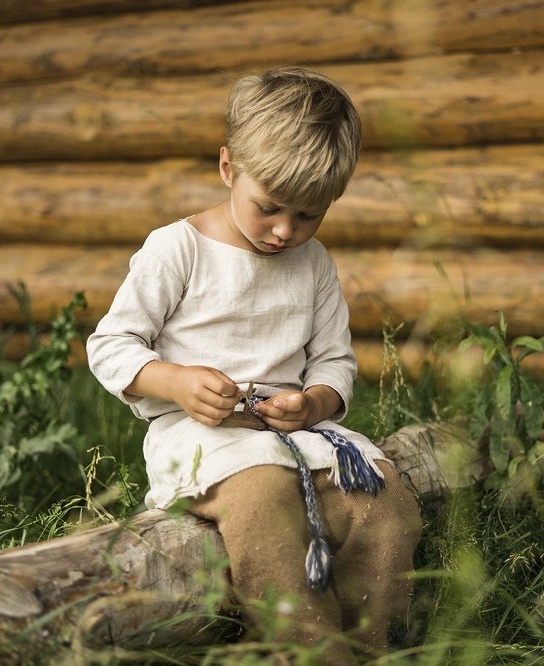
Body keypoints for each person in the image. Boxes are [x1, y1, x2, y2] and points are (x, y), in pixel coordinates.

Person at [87, 66, 421, 664]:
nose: (285, 231)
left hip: (301, 437)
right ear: (227, 168)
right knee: (264, 503)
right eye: (269, 208)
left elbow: (335, 362)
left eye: (310, 216)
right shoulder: (179, 249)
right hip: (204, 438)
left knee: (385, 497)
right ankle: (310, 652)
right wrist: (176, 381)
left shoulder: (314, 264)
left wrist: (314, 402)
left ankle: (374, 647)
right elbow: (110, 344)